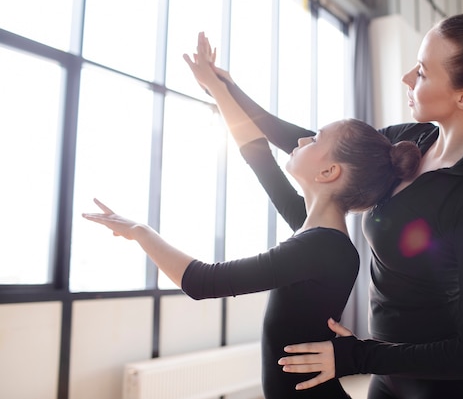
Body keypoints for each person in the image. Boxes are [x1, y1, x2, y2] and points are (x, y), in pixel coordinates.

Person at [201, 13, 463, 398]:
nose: (407, 78)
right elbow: (316, 149)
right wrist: (228, 89)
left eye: (421, 72)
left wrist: (355, 356)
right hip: (386, 380)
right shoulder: (412, 139)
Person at [82, 32, 421, 399]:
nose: (302, 140)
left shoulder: (324, 248)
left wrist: (141, 231)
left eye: (316, 138)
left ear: (329, 173)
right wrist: (217, 88)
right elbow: (256, 152)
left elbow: (203, 281)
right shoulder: (313, 232)